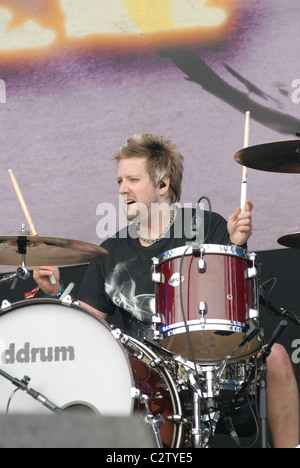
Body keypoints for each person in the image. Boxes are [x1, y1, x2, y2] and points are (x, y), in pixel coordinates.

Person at [33, 134, 299, 448]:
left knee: (277, 357)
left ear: (162, 185)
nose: (122, 189)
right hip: (146, 375)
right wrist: (55, 291)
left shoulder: (208, 227)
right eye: (120, 180)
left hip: (212, 357)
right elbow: (89, 325)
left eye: (133, 179)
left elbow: (231, 298)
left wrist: (234, 245)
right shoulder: (110, 251)